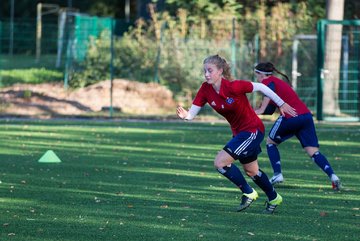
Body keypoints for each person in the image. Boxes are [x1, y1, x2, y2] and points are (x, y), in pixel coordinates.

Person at [176, 55, 297, 214]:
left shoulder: (234, 87)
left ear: (220, 71)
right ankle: (274, 198)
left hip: (252, 130)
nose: (206, 74)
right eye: (205, 71)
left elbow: (263, 88)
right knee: (252, 171)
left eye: (210, 70)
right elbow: (192, 114)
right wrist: (186, 116)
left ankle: (248, 192)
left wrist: (281, 103)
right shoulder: (205, 89)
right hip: (240, 134)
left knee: (220, 162)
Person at [253, 62, 341, 191]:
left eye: (256, 74)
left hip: (291, 116)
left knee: (270, 143)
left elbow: (266, 97)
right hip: (306, 116)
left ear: (261, 74)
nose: (256, 77)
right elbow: (270, 109)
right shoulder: (277, 81)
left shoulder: (268, 82)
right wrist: (258, 110)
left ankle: (277, 174)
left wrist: (255, 111)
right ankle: (333, 176)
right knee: (313, 151)